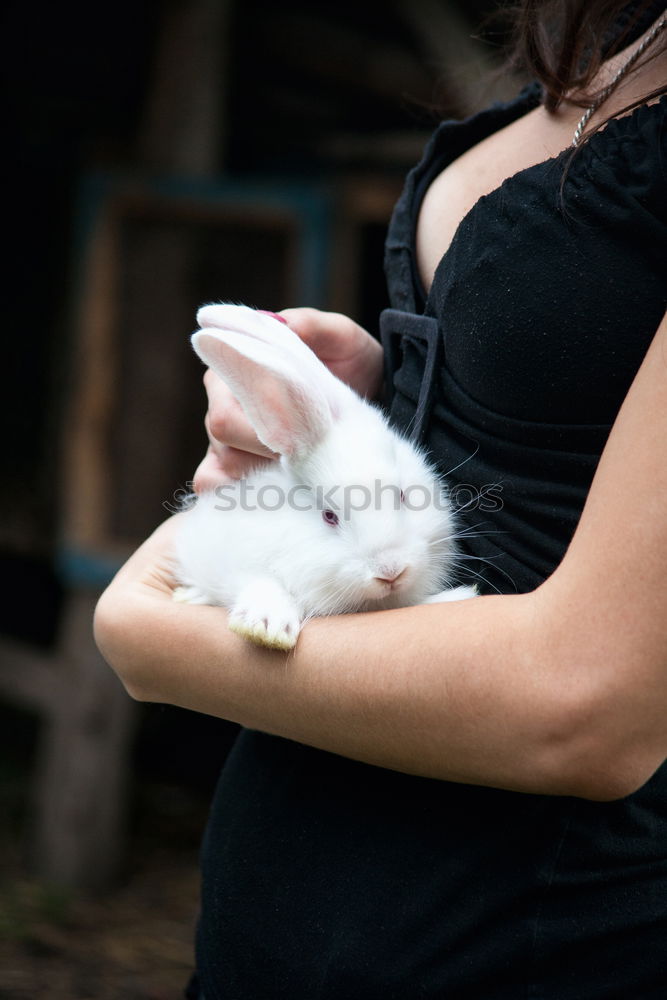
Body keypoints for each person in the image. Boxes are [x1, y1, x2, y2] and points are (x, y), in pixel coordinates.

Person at [94, 0, 667, 996]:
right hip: (268, 925)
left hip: (525, 941)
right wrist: (386, 391)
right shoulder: (623, 40)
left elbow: (589, 704)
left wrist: (148, 632)